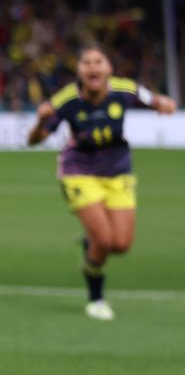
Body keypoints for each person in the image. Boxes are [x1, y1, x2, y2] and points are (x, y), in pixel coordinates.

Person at [27, 45, 175, 320]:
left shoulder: (124, 89)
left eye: (99, 62)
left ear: (108, 68)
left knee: (121, 244)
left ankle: (90, 243)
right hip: (79, 172)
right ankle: (96, 299)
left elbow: (152, 99)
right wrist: (39, 122)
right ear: (79, 70)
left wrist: (163, 103)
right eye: (86, 63)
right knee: (104, 240)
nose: (93, 67)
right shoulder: (65, 100)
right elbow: (33, 140)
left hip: (118, 172)